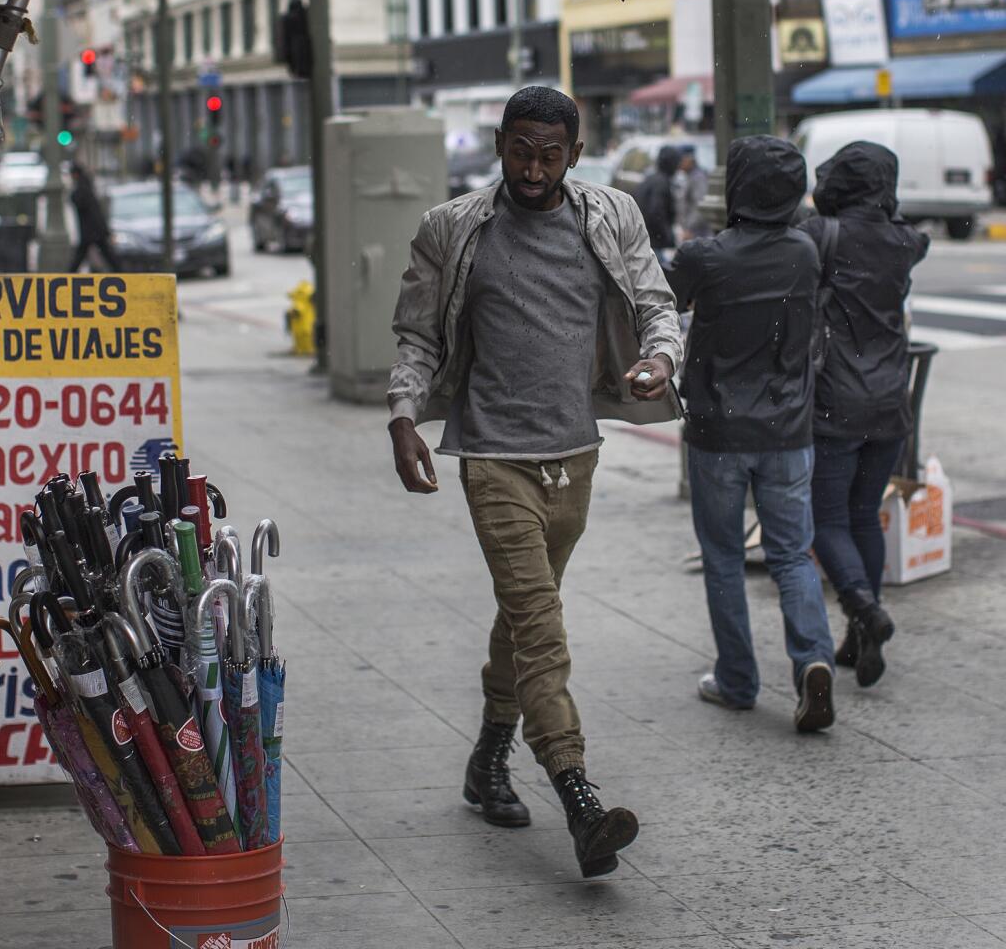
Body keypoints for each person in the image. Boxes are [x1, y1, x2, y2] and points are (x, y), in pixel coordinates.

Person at [387, 86, 684, 878]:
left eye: (549, 154)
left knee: (523, 615)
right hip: (490, 457)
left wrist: (659, 359)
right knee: (541, 627)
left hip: (573, 455)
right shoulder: (451, 229)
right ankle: (576, 792)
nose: (532, 167)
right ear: (498, 143)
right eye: (519, 149)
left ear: (574, 157)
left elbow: (657, 305)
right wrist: (403, 416)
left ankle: (486, 756)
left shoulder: (611, 215)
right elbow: (416, 335)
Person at [667, 135, 836, 733]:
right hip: (789, 428)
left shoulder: (707, 256)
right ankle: (813, 659)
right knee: (792, 554)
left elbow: (663, 296)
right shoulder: (805, 252)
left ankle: (738, 680)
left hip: (719, 429)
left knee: (723, 556)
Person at [799, 142, 929, 688]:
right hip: (890, 402)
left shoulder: (822, 234)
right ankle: (860, 633)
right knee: (863, 515)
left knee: (823, 520)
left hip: (837, 400)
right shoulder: (906, 241)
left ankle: (863, 608)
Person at [68, 162, 120, 272]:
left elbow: (80, 203)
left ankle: (68, 276)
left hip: (90, 230)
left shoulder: (82, 188)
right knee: (107, 255)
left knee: (81, 256)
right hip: (95, 230)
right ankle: (122, 273)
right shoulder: (86, 186)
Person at [633, 145, 681, 250]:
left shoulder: (650, 179)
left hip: (645, 238)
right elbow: (656, 212)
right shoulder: (661, 183)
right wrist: (668, 237)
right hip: (654, 242)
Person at [676, 149, 710, 240]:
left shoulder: (698, 178)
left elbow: (700, 205)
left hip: (697, 233)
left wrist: (690, 229)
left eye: (681, 160)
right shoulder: (690, 176)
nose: (679, 163)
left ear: (689, 160)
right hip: (692, 232)